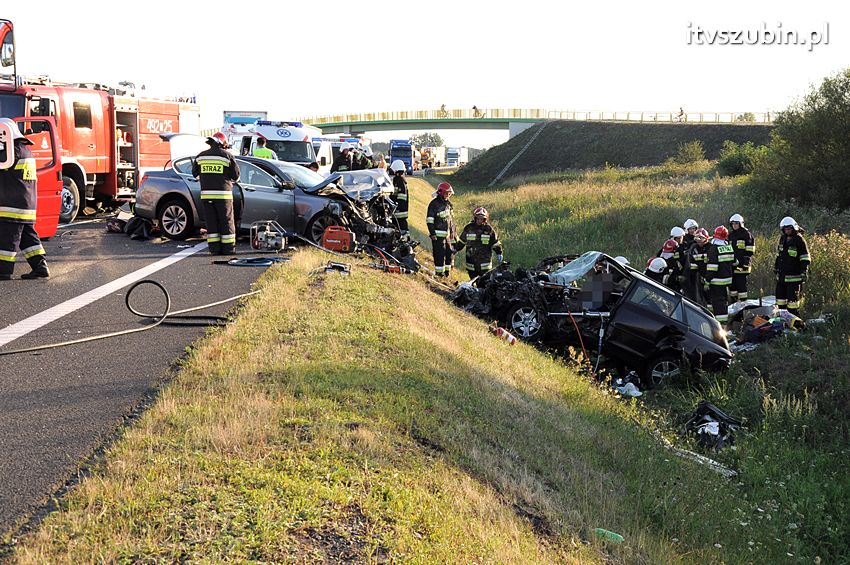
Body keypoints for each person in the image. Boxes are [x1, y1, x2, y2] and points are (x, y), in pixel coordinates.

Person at [0, 118, 49, 280]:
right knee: (28, 238)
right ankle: (40, 266)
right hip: (26, 204)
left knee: (7, 238)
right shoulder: (25, 150)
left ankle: (3, 271)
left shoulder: (11, 151)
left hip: (11, 206)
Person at [192, 132, 240, 255]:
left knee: (211, 223)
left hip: (206, 195)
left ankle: (214, 249)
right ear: (222, 142)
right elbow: (236, 176)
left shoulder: (200, 156)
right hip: (223, 196)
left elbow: (195, 174)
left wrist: (207, 179)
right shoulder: (227, 156)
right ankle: (228, 249)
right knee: (226, 221)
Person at [774, 216, 810, 317]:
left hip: (794, 278)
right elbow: (779, 255)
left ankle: (796, 322)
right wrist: (776, 267)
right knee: (780, 301)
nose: (787, 231)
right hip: (782, 277)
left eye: (789, 229)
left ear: (794, 228)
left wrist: (804, 270)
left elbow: (805, 257)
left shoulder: (799, 240)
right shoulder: (783, 239)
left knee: (792, 304)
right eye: (785, 229)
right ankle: (782, 321)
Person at [454, 207, 503, 280]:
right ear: (475, 218)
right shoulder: (469, 228)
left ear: (485, 219)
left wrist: (499, 252)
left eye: (481, 219)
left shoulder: (488, 229)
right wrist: (456, 249)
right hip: (471, 263)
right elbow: (462, 241)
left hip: (485, 264)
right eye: (478, 218)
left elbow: (495, 243)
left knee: (484, 282)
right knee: (472, 281)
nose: (479, 221)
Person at [705, 225, 736, 326]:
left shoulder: (714, 249)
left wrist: (707, 281)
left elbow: (712, 267)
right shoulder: (728, 247)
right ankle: (724, 322)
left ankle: (719, 324)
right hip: (727, 280)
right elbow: (735, 262)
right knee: (724, 301)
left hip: (716, 281)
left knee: (717, 302)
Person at [426, 181, 456, 277]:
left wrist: (453, 234)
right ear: (441, 192)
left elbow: (451, 221)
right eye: (447, 193)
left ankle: (447, 273)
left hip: (447, 236)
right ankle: (439, 274)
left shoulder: (448, 204)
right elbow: (429, 220)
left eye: (449, 194)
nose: (448, 196)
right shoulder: (434, 204)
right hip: (438, 236)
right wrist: (432, 233)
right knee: (439, 255)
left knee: (449, 254)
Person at [728, 213, 755, 302]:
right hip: (732, 265)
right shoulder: (731, 235)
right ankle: (734, 303)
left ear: (740, 224)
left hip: (742, 266)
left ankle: (743, 304)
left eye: (736, 223)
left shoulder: (747, 235)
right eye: (733, 224)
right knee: (733, 287)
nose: (734, 225)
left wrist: (744, 264)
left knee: (741, 287)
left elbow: (750, 251)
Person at [685, 228, 710, 305]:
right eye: (697, 238)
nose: (699, 240)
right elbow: (693, 265)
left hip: (711, 277)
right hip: (700, 278)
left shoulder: (711, 248)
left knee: (712, 297)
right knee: (703, 297)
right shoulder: (694, 248)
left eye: (701, 238)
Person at [389, 159, 409, 232]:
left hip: (399, 211)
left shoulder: (399, 180)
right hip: (401, 211)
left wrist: (396, 207)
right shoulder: (401, 180)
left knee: (400, 228)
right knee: (401, 228)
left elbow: (401, 197)